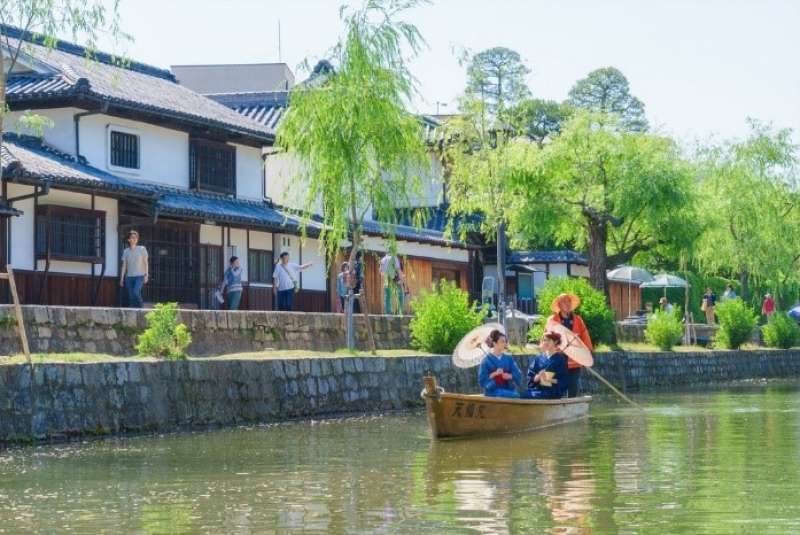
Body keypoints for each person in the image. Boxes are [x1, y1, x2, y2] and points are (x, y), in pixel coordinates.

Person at [548, 293, 593, 398]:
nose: (567, 304)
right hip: (557, 359)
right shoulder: (552, 320)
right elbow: (546, 338)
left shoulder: (578, 320)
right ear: (559, 305)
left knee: (573, 387)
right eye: (564, 302)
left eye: (569, 301)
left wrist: (588, 353)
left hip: (574, 360)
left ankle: (571, 407)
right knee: (554, 385)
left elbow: (585, 336)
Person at [523, 331, 569, 399]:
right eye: (544, 340)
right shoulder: (538, 358)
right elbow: (531, 377)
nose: (545, 342)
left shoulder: (560, 359)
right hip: (537, 389)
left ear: (555, 342)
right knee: (523, 394)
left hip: (552, 391)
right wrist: (538, 377)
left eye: (549, 340)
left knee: (535, 396)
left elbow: (564, 380)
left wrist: (549, 379)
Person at [478, 329, 522, 398]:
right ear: (495, 343)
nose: (505, 344)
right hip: (493, 390)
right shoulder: (485, 361)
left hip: (508, 388)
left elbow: (518, 373)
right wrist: (494, 374)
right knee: (513, 396)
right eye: (502, 341)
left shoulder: (509, 358)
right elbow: (482, 380)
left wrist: (510, 376)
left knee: (516, 395)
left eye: (505, 341)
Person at [119, 230, 148, 308]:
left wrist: (146, 275)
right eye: (132, 237)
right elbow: (124, 266)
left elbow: (146, 263)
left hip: (140, 276)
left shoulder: (142, 249)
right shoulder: (126, 251)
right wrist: (122, 278)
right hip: (129, 277)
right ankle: (133, 312)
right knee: (131, 297)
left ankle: (141, 308)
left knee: (135, 292)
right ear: (129, 240)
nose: (134, 239)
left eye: (136, 237)